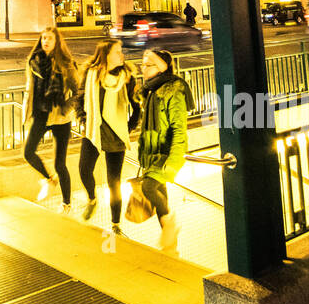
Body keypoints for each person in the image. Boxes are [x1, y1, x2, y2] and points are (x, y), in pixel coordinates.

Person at [76, 40, 139, 233]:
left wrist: (127, 128)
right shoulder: (91, 74)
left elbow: (137, 107)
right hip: (94, 129)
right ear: (106, 55)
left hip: (116, 133)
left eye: (121, 51)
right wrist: (84, 118)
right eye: (117, 52)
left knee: (114, 182)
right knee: (84, 169)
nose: (122, 55)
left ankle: (115, 224)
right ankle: (92, 199)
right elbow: (80, 97)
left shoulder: (127, 77)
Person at [136, 49, 192, 251]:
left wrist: (174, 160)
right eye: (142, 64)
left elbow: (179, 127)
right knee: (160, 193)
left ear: (161, 67)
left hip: (166, 154)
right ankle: (170, 245)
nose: (143, 68)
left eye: (148, 65)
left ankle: (170, 226)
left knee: (149, 187)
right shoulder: (152, 90)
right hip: (153, 152)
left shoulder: (173, 90)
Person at [22, 25, 79, 210]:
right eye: (43, 37)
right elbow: (30, 89)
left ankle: (67, 203)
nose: (46, 41)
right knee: (28, 152)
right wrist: (27, 111)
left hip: (60, 117)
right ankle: (49, 179)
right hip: (41, 113)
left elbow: (79, 91)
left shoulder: (66, 64)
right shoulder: (34, 61)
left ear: (57, 42)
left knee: (60, 164)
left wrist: (67, 107)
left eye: (50, 38)